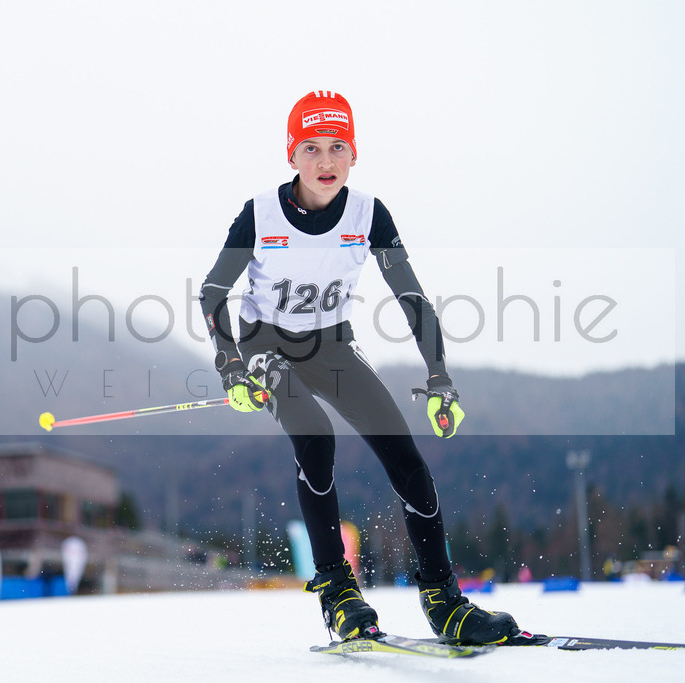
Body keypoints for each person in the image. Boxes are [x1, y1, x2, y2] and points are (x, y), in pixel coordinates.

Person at [198, 90, 525, 645]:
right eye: (311, 148)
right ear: (291, 156)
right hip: (264, 344)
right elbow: (213, 293)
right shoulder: (260, 213)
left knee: (403, 451)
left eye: (337, 148)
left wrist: (439, 376)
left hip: (331, 344)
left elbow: (412, 298)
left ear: (354, 155)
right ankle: (337, 592)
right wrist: (231, 363)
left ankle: (443, 600)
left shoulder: (369, 214)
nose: (325, 161)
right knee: (315, 436)